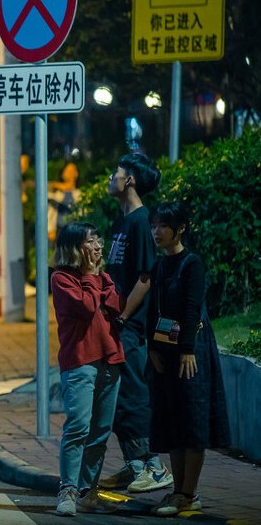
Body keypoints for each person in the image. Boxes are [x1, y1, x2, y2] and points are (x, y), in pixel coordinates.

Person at [146, 202, 230, 517]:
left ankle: (189, 493)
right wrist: (151, 347)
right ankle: (177, 491)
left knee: (192, 419)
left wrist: (187, 350)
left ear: (180, 229)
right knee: (172, 420)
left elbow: (193, 308)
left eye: (163, 226)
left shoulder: (192, 264)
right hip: (165, 351)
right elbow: (152, 310)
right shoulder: (160, 265)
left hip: (190, 352)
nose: (157, 232)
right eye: (154, 225)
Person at [99, 153, 173, 493]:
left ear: (129, 180)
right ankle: (134, 465)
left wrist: (124, 315)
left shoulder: (143, 222)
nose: (111, 176)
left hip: (128, 326)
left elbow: (145, 277)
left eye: (117, 172)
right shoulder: (120, 223)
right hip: (114, 323)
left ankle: (153, 467)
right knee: (113, 396)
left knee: (131, 393)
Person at [51, 222, 127, 516]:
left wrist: (97, 282)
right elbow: (86, 306)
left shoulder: (102, 277)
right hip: (80, 360)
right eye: (90, 241)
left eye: (98, 241)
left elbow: (116, 305)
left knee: (100, 432)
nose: (98, 247)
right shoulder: (61, 279)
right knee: (78, 427)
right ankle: (68, 489)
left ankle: (88, 490)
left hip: (110, 358)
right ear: (73, 248)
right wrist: (93, 278)